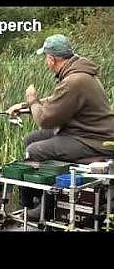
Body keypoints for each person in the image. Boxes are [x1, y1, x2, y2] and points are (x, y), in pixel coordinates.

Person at [6, 34, 114, 218]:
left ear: (51, 59)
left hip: (93, 139)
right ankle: (33, 201)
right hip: (81, 132)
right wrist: (24, 106)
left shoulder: (75, 81)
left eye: (45, 58)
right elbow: (57, 101)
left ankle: (47, 208)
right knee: (30, 138)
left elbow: (45, 120)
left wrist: (32, 98)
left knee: (35, 150)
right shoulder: (79, 75)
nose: (45, 62)